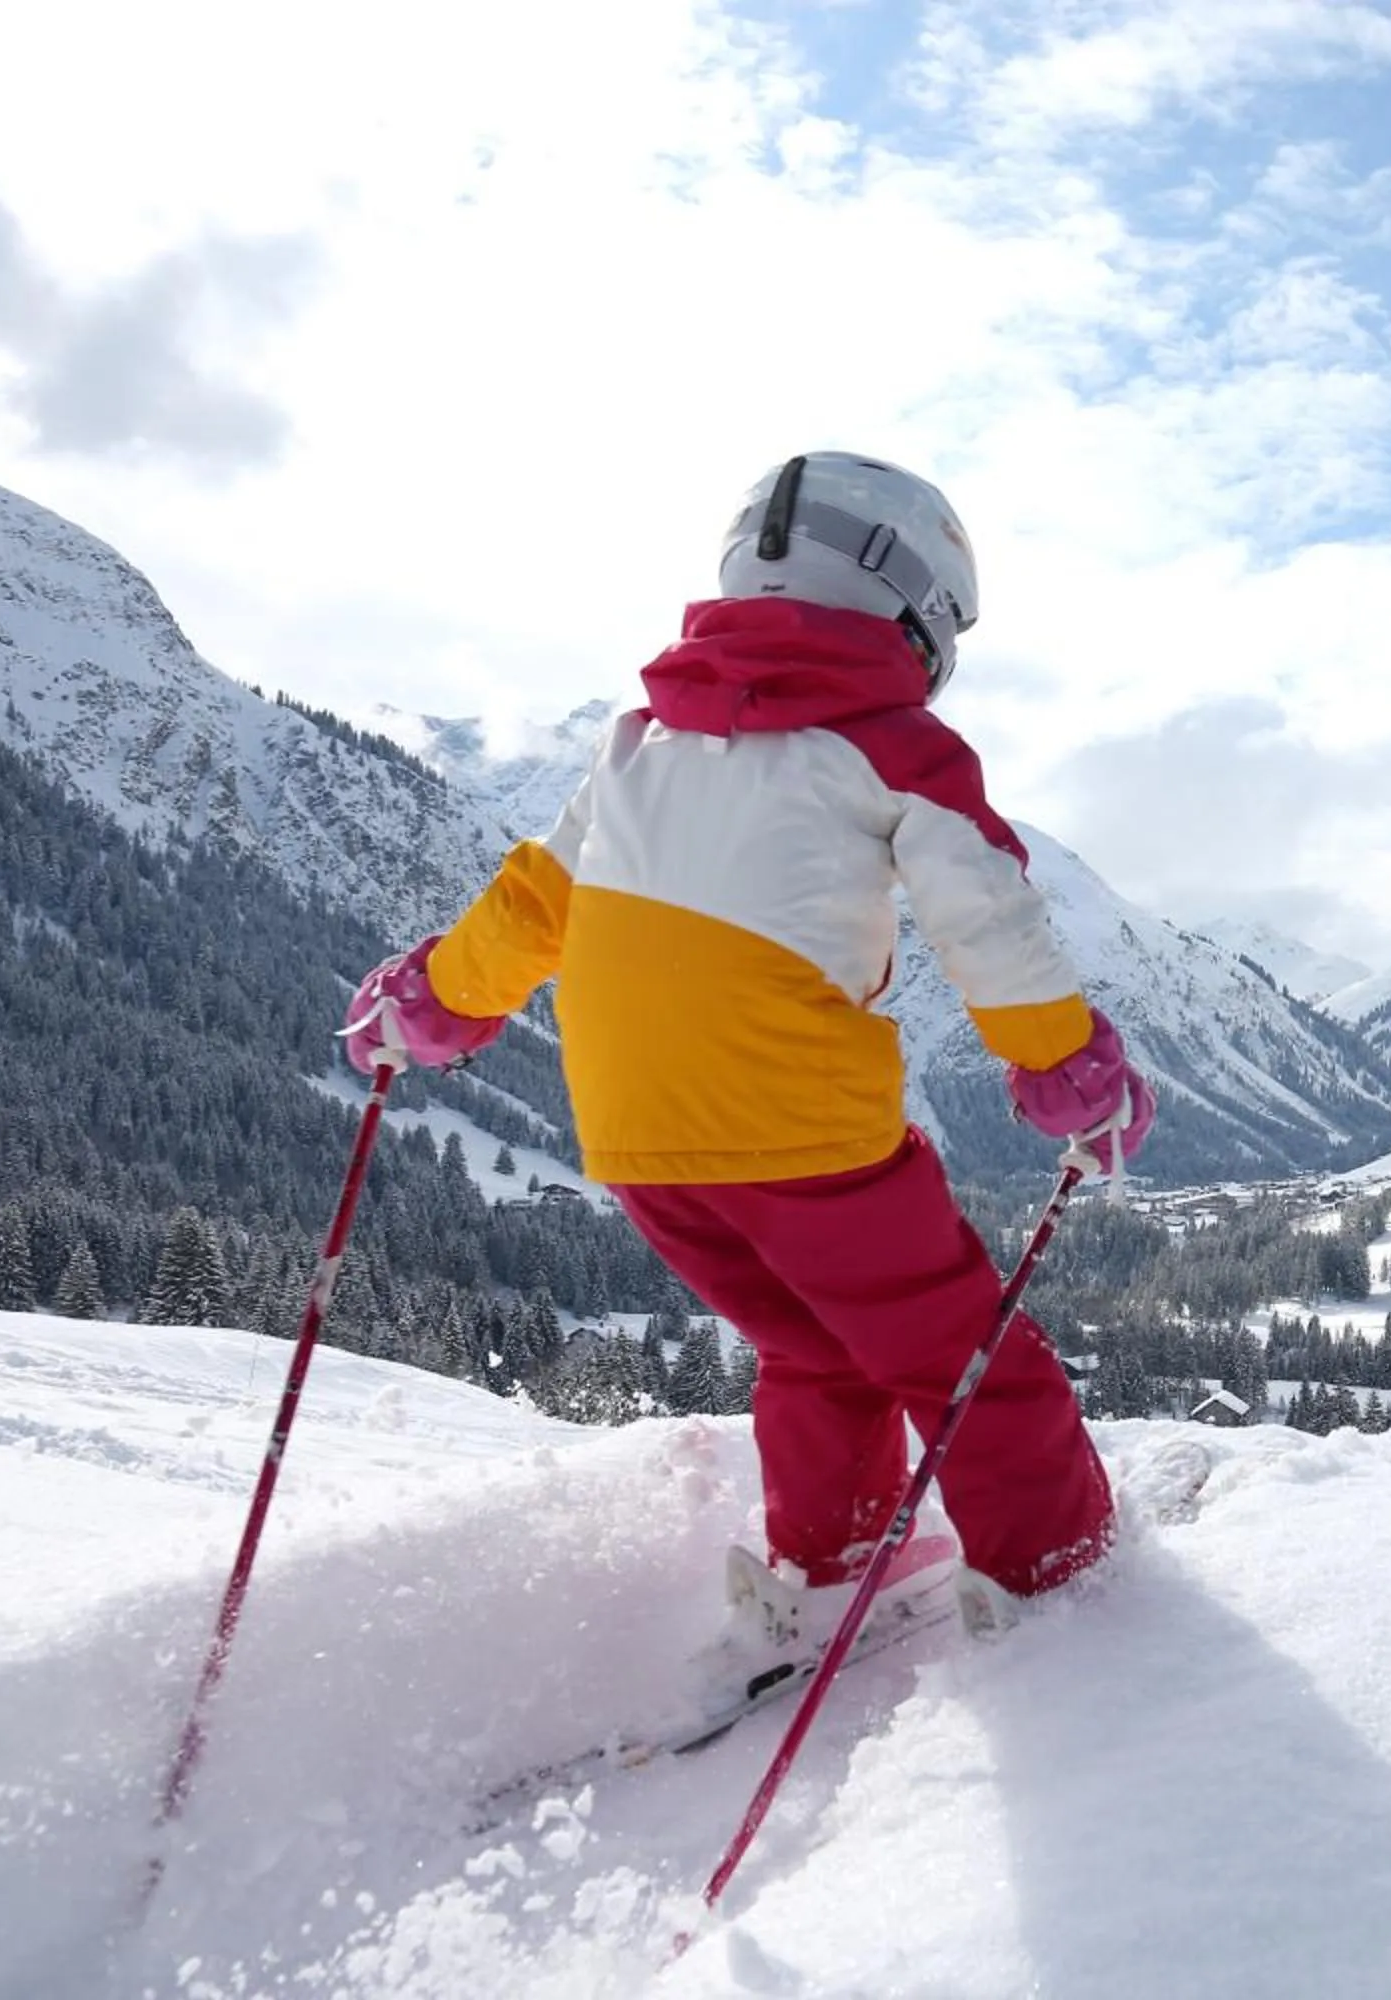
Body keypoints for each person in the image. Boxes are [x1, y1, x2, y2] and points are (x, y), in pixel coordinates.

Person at [341, 450, 1154, 1683]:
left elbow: (529, 909)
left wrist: (435, 1007)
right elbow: (988, 920)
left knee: (816, 1344)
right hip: (803, 1131)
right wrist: (1064, 1067)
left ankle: (828, 1569)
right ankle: (1062, 1581)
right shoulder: (894, 748)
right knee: (966, 1358)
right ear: (912, 607)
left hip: (634, 1139)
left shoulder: (635, 745)